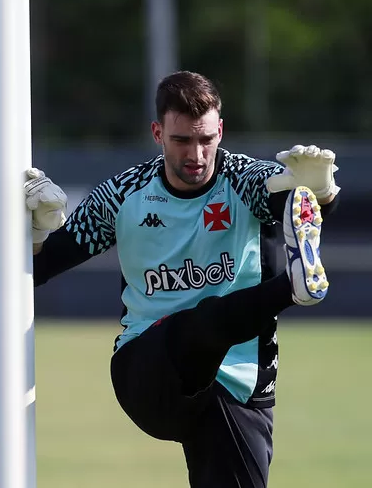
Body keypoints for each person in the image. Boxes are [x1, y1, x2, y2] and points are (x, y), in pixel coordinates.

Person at [26, 71, 340, 488]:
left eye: (206, 139)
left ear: (220, 130)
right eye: (182, 140)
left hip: (238, 384)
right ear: (158, 133)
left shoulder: (242, 178)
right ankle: (293, 289)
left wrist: (319, 196)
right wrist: (31, 235)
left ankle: (295, 284)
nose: (196, 153)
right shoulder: (123, 195)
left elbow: (286, 205)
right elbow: (41, 266)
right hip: (150, 369)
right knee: (200, 321)